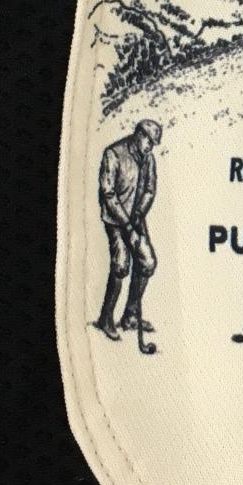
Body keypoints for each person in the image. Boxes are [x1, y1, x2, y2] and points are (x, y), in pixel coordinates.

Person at [93, 120, 163, 341]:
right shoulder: (113, 154)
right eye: (149, 141)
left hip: (135, 219)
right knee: (121, 264)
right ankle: (106, 318)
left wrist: (138, 215)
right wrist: (127, 226)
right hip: (115, 220)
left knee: (147, 262)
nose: (150, 147)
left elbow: (150, 190)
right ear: (139, 135)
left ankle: (131, 316)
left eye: (153, 143)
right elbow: (108, 194)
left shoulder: (148, 158)